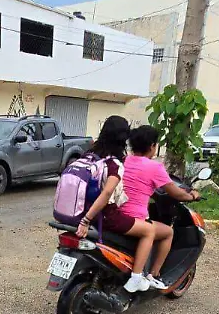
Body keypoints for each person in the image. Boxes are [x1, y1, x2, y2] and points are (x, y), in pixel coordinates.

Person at [78, 124, 200, 292]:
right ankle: (153, 275)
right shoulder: (155, 167)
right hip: (132, 219)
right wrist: (192, 196)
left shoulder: (123, 161)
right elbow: (176, 194)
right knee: (167, 232)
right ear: (152, 146)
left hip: (112, 213)